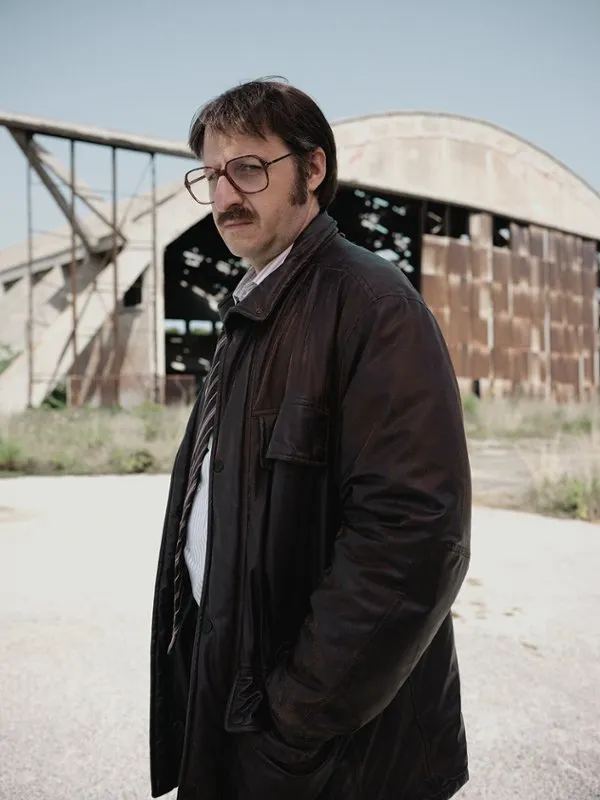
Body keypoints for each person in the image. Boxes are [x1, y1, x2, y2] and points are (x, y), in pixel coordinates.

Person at [150, 77, 472, 800]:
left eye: (248, 168)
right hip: (239, 697)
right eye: (211, 175)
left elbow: (414, 539)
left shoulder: (372, 305)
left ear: (313, 168)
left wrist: (296, 719)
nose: (225, 195)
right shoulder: (254, 311)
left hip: (327, 750)